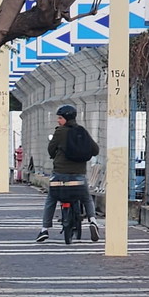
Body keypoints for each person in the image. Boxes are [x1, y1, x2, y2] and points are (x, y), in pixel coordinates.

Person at [37, 104, 99, 243]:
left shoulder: (60, 132)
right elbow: (95, 150)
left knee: (51, 199)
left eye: (60, 118)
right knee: (86, 198)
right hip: (78, 177)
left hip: (59, 175)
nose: (58, 120)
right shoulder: (82, 131)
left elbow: (51, 150)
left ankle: (44, 229)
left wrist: (56, 153)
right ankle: (93, 221)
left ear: (66, 118)